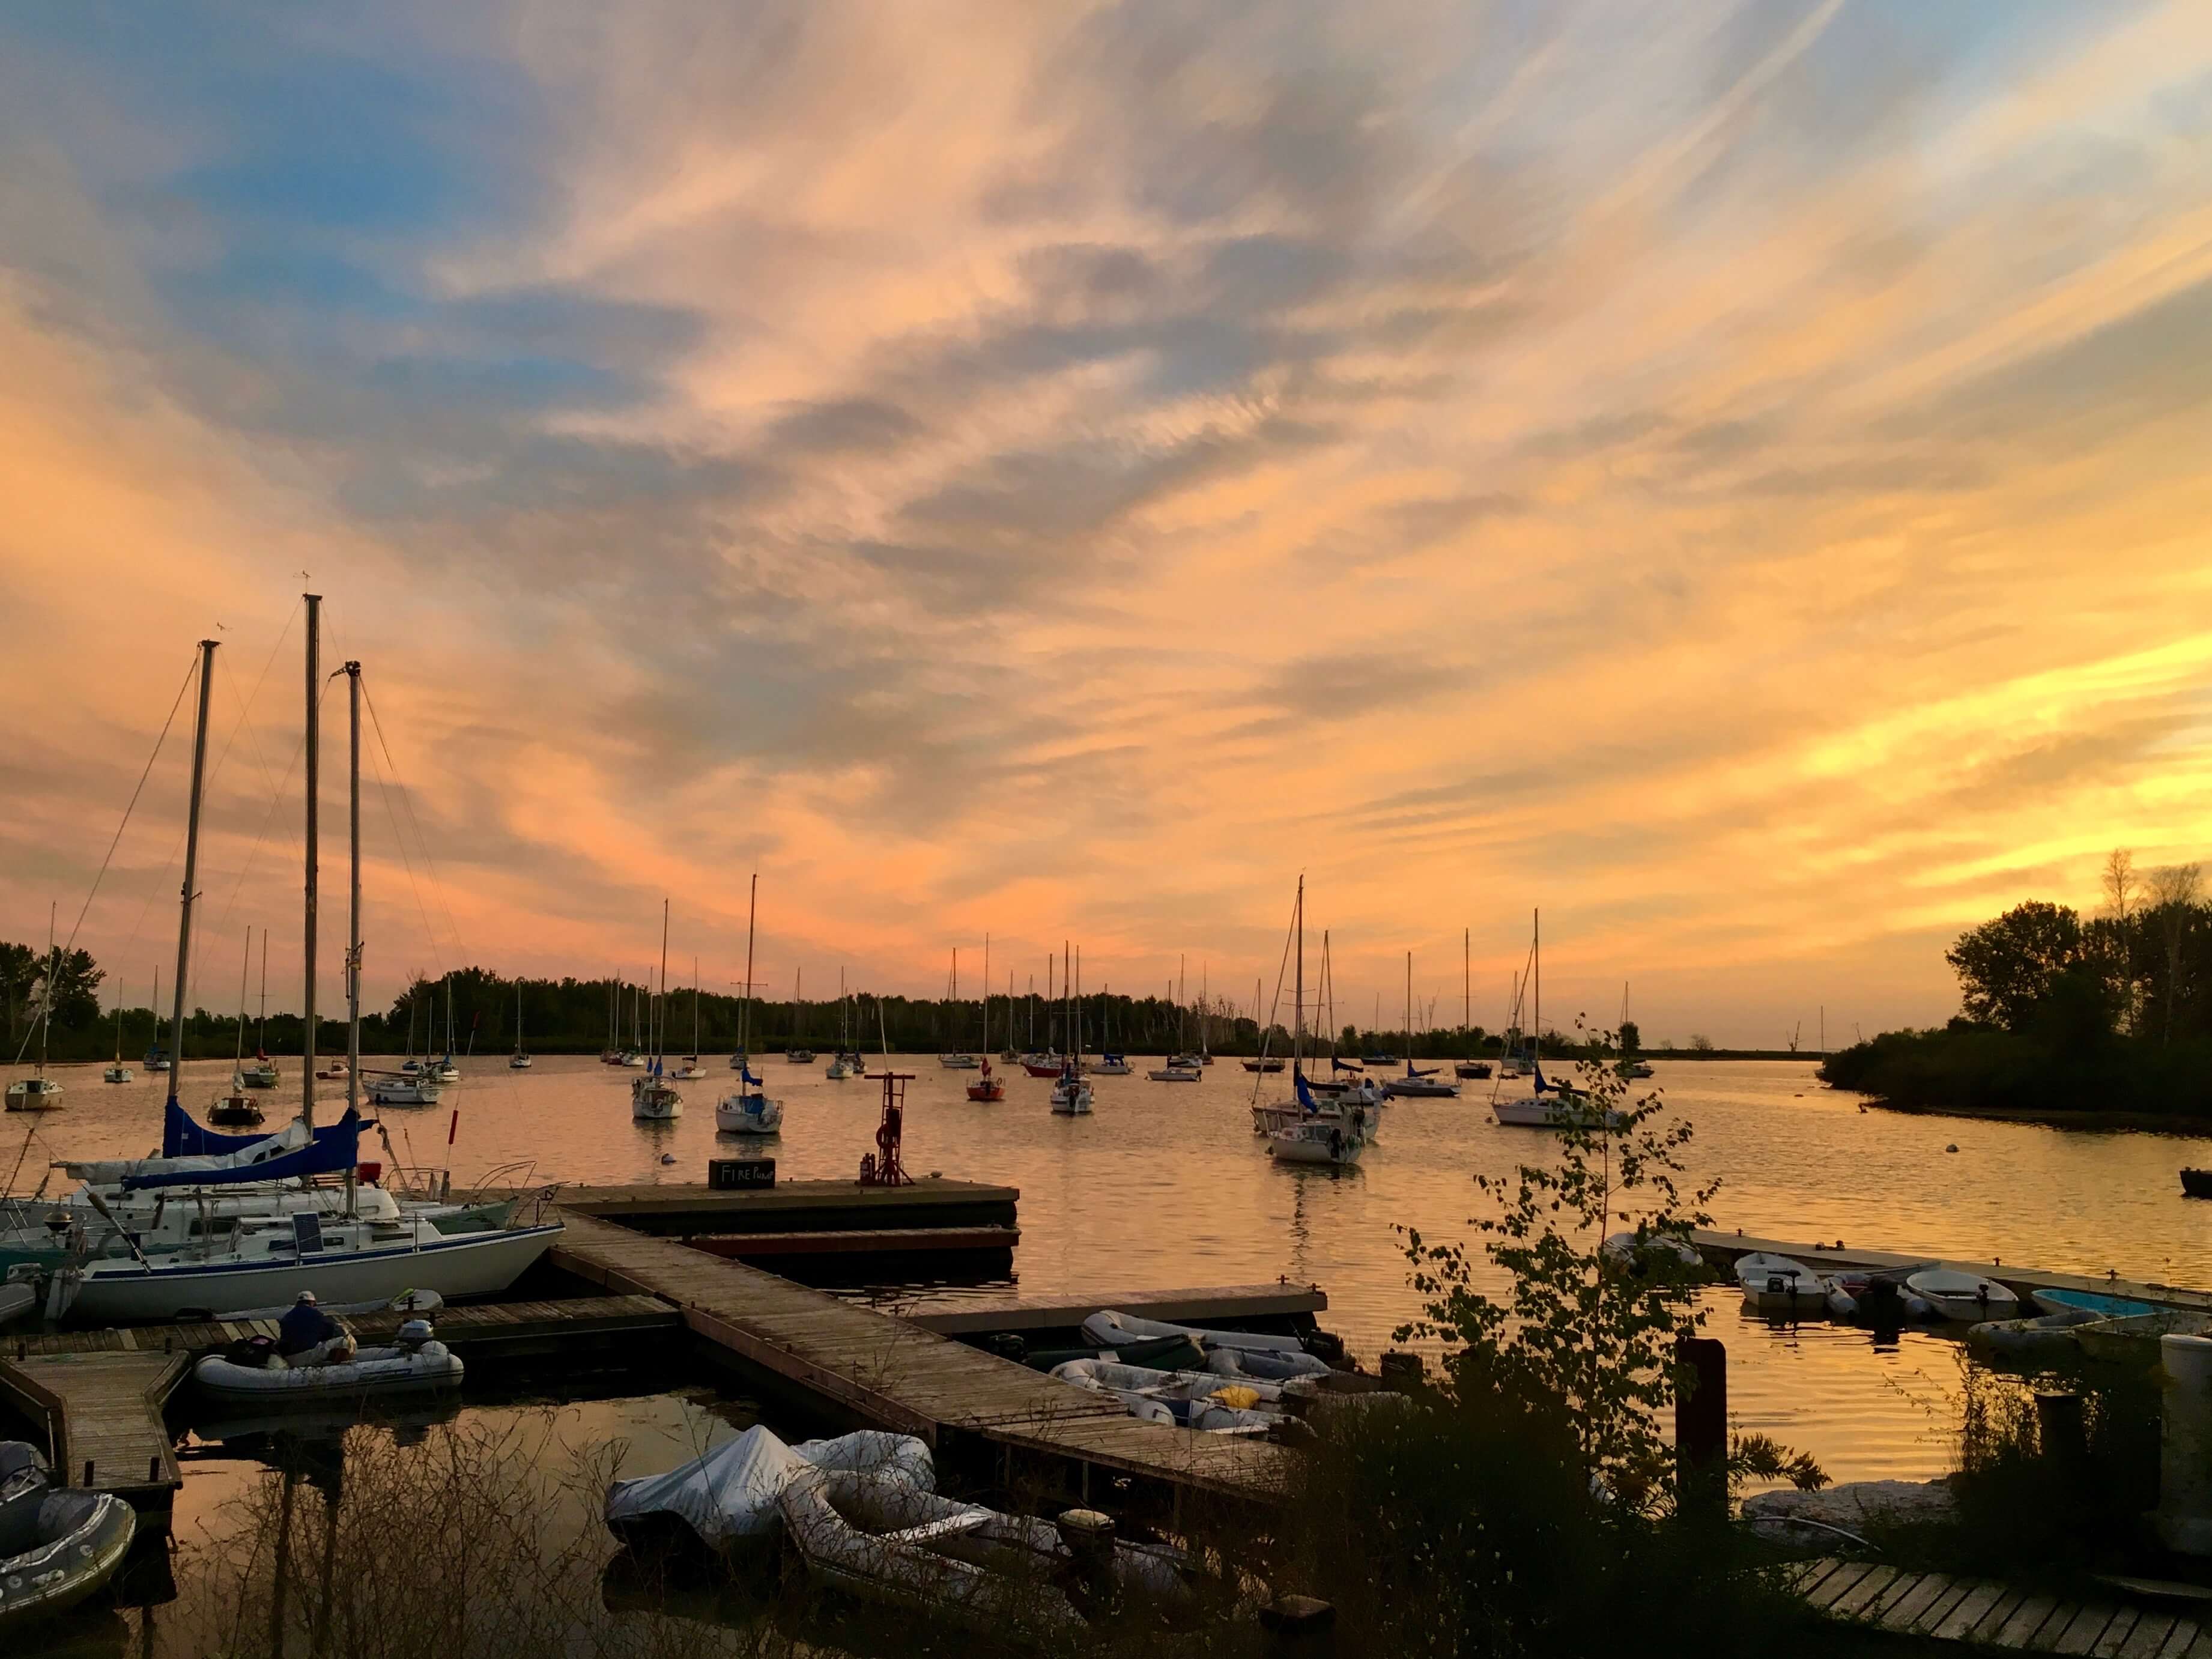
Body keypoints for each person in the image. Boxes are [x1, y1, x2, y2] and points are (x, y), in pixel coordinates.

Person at [276, 1291, 351, 1365]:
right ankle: (342, 1365)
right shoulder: (315, 1315)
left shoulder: (287, 1317)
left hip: (289, 1359)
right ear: (312, 1302)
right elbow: (333, 1331)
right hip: (306, 1356)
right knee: (343, 1340)